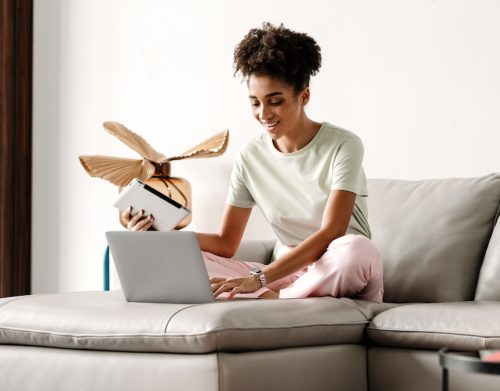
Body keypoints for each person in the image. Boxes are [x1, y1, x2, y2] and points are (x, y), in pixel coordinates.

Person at [123, 22, 384, 302]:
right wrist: (160, 236)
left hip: (338, 264)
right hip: (285, 274)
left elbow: (331, 232)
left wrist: (259, 280)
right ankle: (281, 298)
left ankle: (274, 299)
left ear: (303, 96)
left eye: (275, 101)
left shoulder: (344, 144)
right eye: (255, 103)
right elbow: (226, 242)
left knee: (358, 250)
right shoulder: (250, 156)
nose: (263, 114)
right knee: (181, 258)